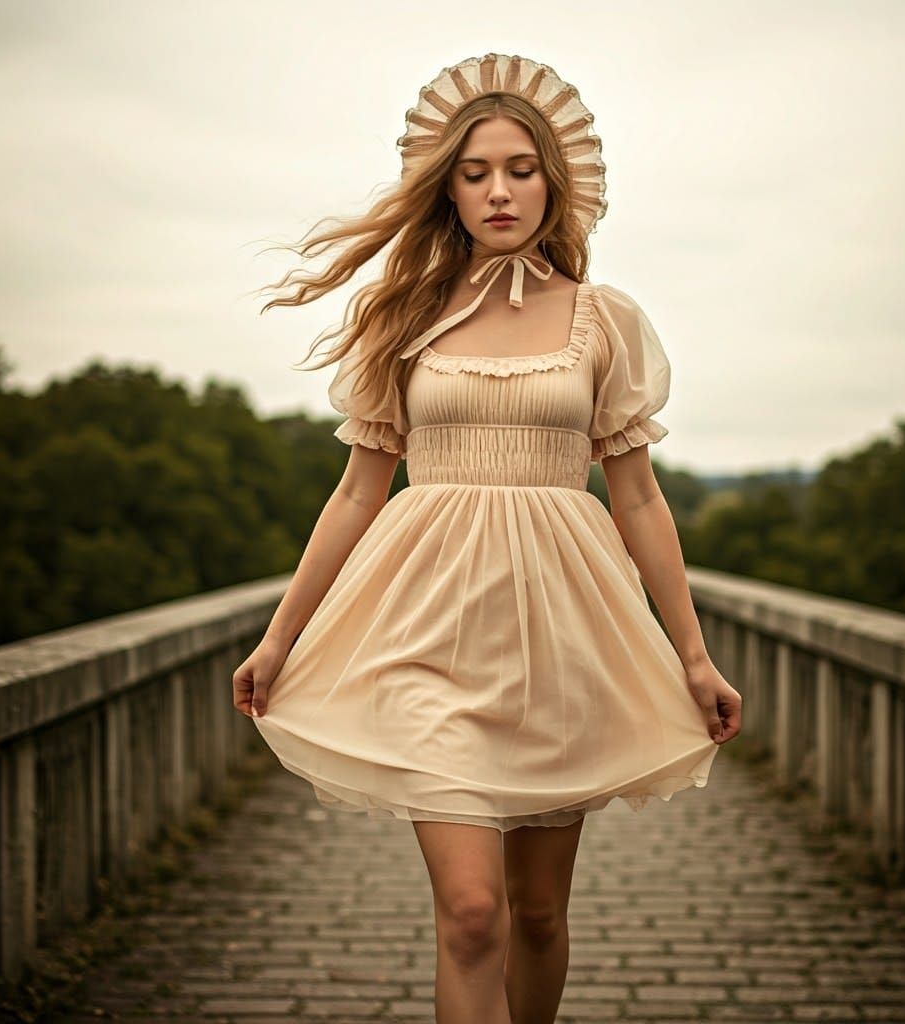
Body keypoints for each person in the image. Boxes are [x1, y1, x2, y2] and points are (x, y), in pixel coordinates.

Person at [233, 52, 742, 1024]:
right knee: (471, 913)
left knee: (538, 914)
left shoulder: (604, 321)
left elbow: (637, 501)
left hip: (560, 647)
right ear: (447, 189)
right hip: (425, 641)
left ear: (553, 182)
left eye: (518, 168)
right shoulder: (406, 318)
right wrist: (279, 636)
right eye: (474, 172)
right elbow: (354, 494)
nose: (498, 190)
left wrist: (692, 654)